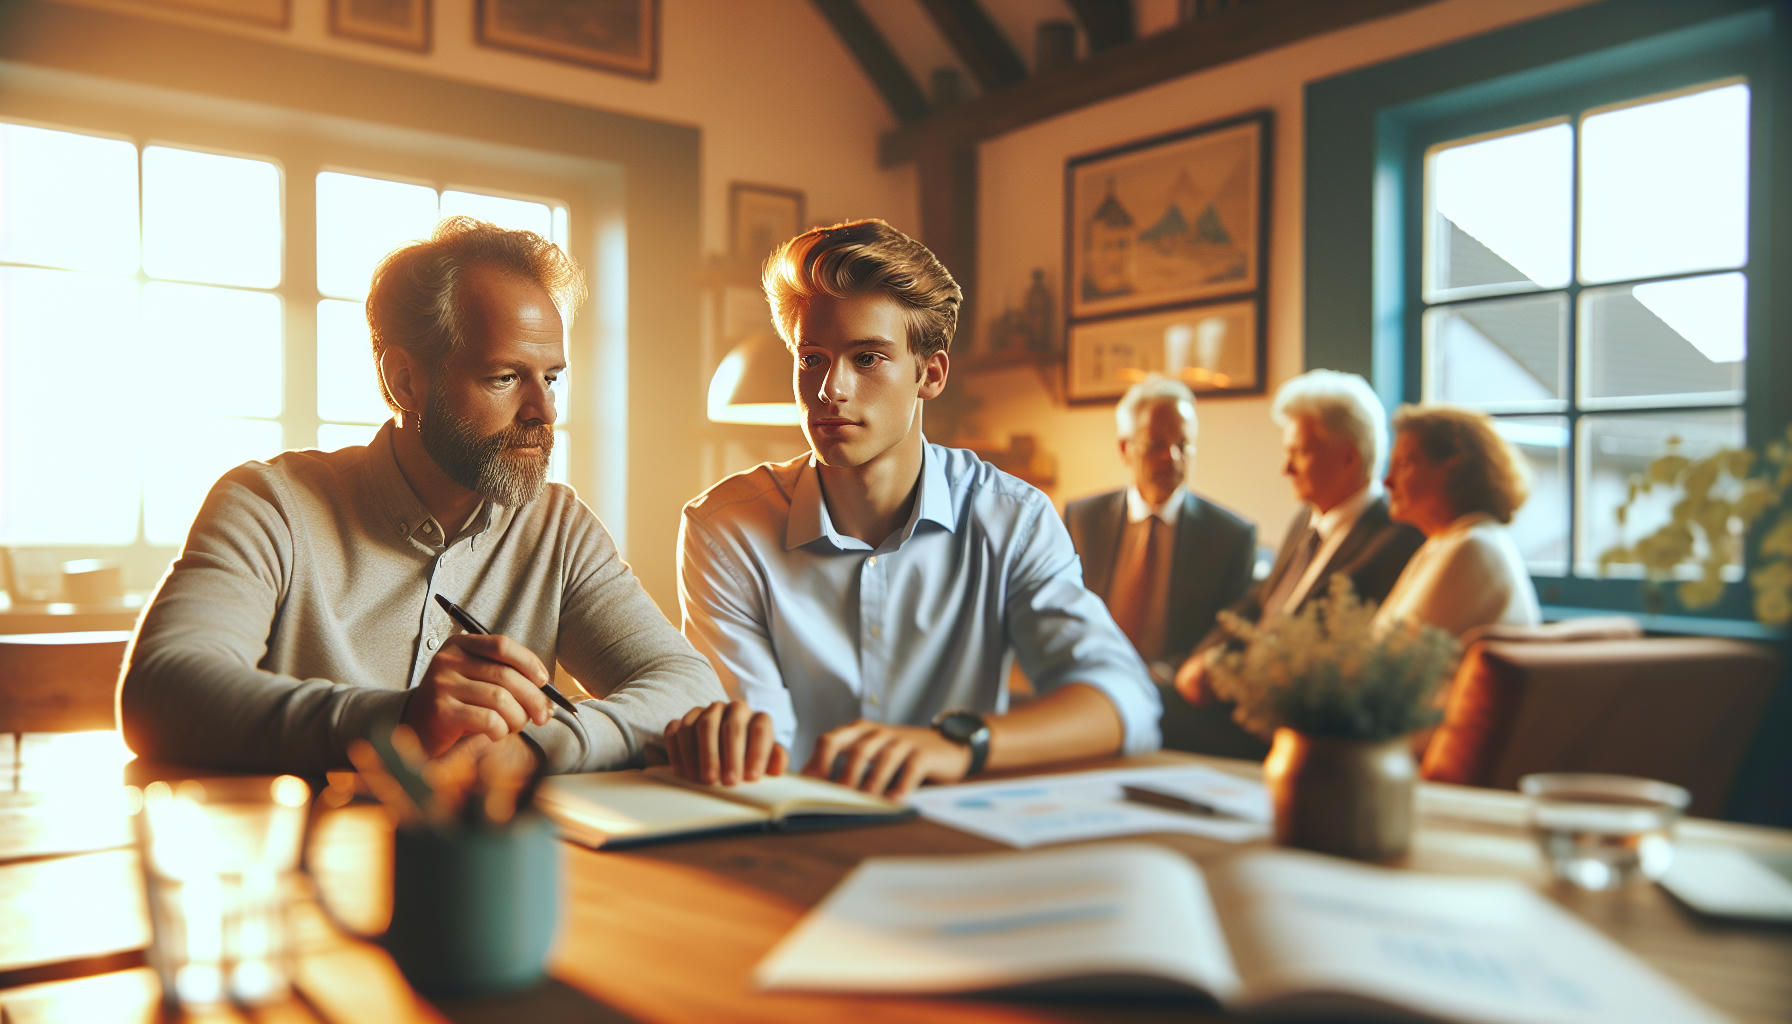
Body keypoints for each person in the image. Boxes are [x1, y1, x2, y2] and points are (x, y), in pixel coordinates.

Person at [119, 217, 725, 774]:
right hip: (296, 867)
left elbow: (688, 686)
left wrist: (537, 746)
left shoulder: (557, 527)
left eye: (552, 378)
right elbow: (163, 691)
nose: (543, 411)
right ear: (405, 379)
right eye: (505, 377)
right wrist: (402, 724)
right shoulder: (269, 504)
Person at [670, 218, 1160, 797]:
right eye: (812, 359)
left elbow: (1126, 702)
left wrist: (962, 743)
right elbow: (760, 739)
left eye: (868, 359)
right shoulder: (725, 527)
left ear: (930, 374)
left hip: (957, 842)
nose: (831, 389)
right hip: (786, 831)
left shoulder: (1011, 517)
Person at [1170, 369, 1424, 757]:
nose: (1285, 469)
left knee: (1142, 710)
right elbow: (1258, 602)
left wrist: (1228, 672)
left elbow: (1340, 650)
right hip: (1236, 692)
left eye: (1298, 452)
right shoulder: (1307, 518)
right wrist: (1207, 654)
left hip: (1288, 722)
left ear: (1348, 456)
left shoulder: (1396, 538)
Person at [1063, 375, 1255, 750]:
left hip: (1178, 710)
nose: (1173, 458)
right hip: (1086, 693)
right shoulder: (1081, 518)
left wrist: (1161, 677)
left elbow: (1228, 632)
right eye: (1156, 445)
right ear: (1124, 448)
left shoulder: (1231, 536)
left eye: (1184, 445)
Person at [1376, 404, 1541, 639]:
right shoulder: (1448, 541)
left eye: (1404, 464)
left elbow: (1392, 657)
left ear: (1454, 468)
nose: (1387, 481)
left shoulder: (1472, 547)